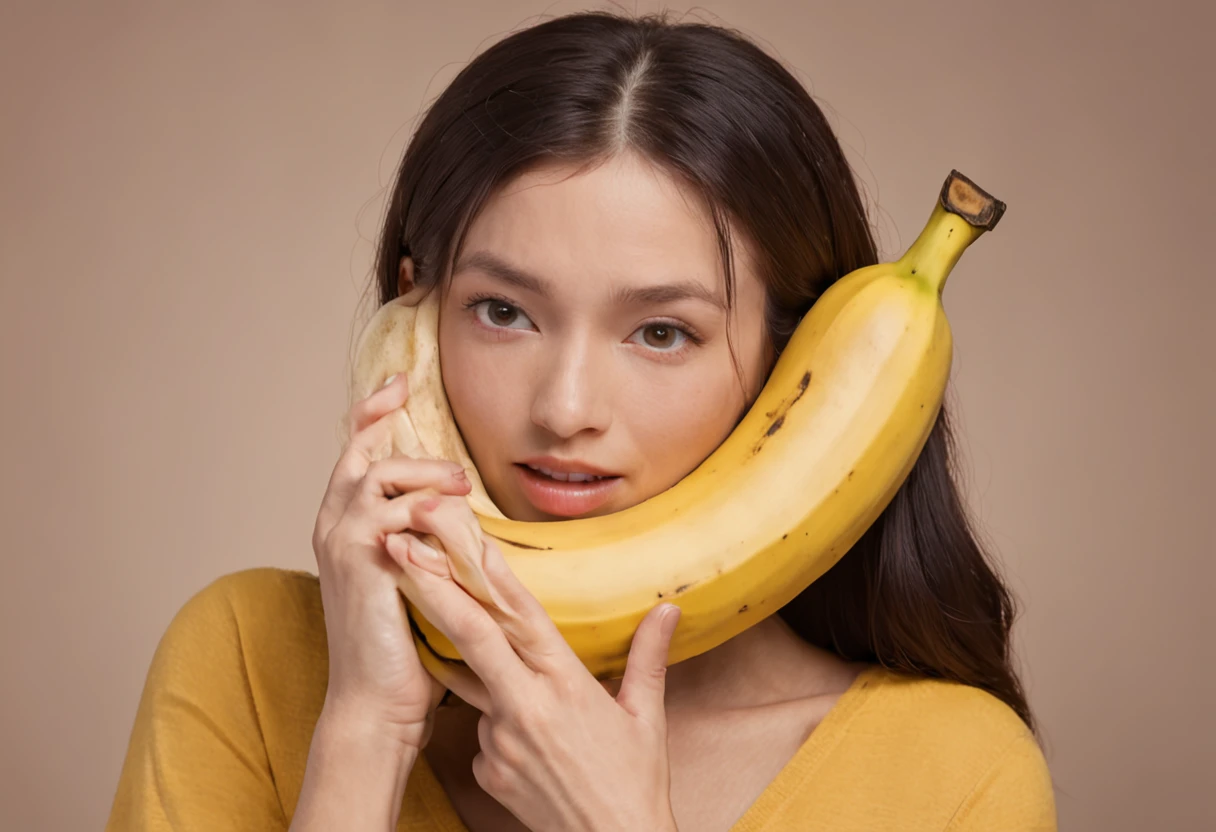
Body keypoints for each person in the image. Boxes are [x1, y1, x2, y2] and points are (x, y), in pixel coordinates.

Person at [105, 10, 1056, 831]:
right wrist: (364, 736)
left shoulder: (952, 771)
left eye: (659, 332)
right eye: (504, 313)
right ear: (418, 311)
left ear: (791, 368)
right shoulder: (246, 659)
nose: (564, 410)